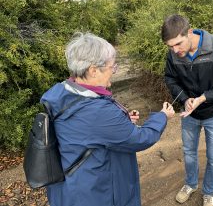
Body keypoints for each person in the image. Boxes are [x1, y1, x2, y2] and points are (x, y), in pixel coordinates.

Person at [42, 32, 175, 206]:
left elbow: (91, 132)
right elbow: (141, 139)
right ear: (93, 70)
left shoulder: (63, 92)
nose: (114, 71)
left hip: (71, 186)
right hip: (95, 193)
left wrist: (121, 121)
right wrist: (162, 116)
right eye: (112, 67)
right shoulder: (95, 110)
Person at [161, 14, 213, 206]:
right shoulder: (174, 53)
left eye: (178, 44)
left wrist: (203, 98)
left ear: (189, 32)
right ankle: (190, 184)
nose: (174, 50)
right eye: (170, 46)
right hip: (190, 114)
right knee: (189, 153)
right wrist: (186, 99)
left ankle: (209, 192)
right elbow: (170, 79)